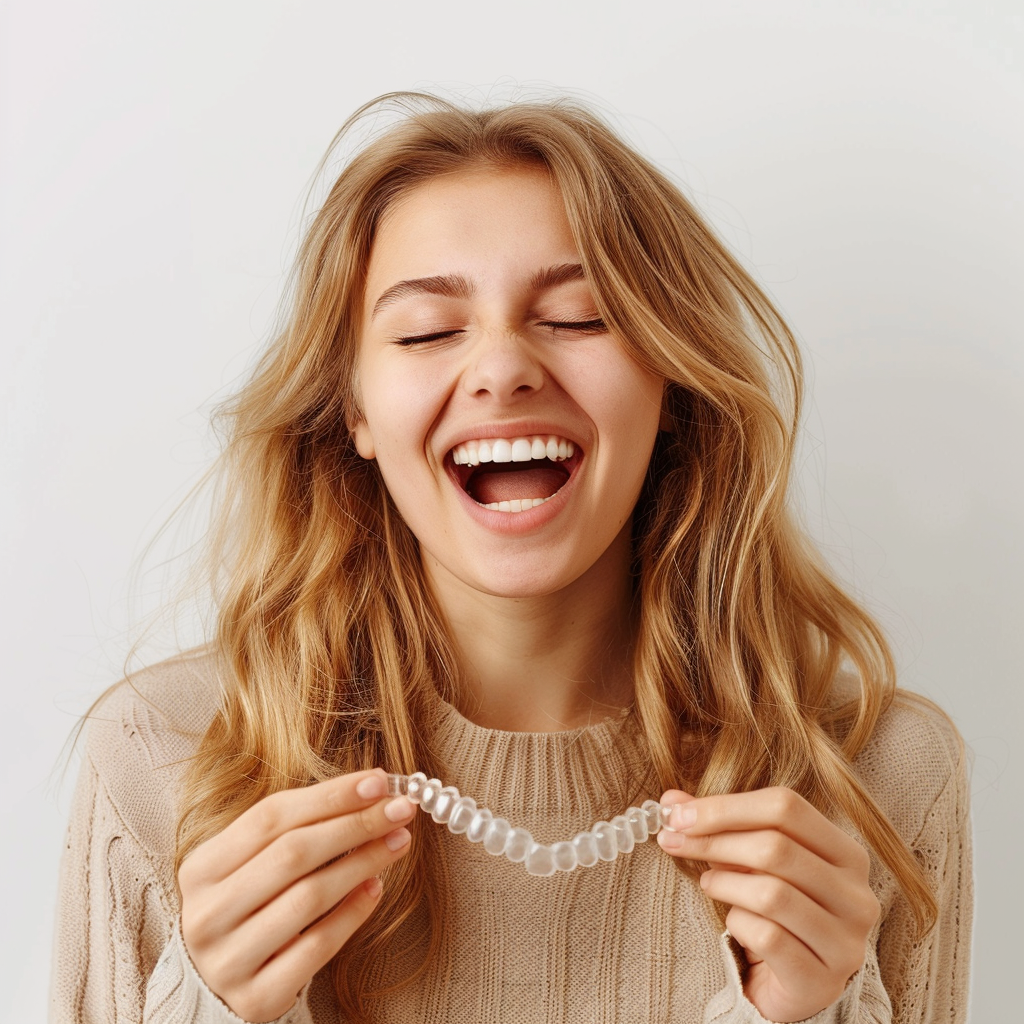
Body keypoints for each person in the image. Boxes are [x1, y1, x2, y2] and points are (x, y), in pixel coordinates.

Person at [50, 93, 972, 1024]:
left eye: (576, 317)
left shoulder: (883, 782)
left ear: (672, 388)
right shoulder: (164, 762)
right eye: (425, 332)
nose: (503, 368)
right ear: (357, 414)